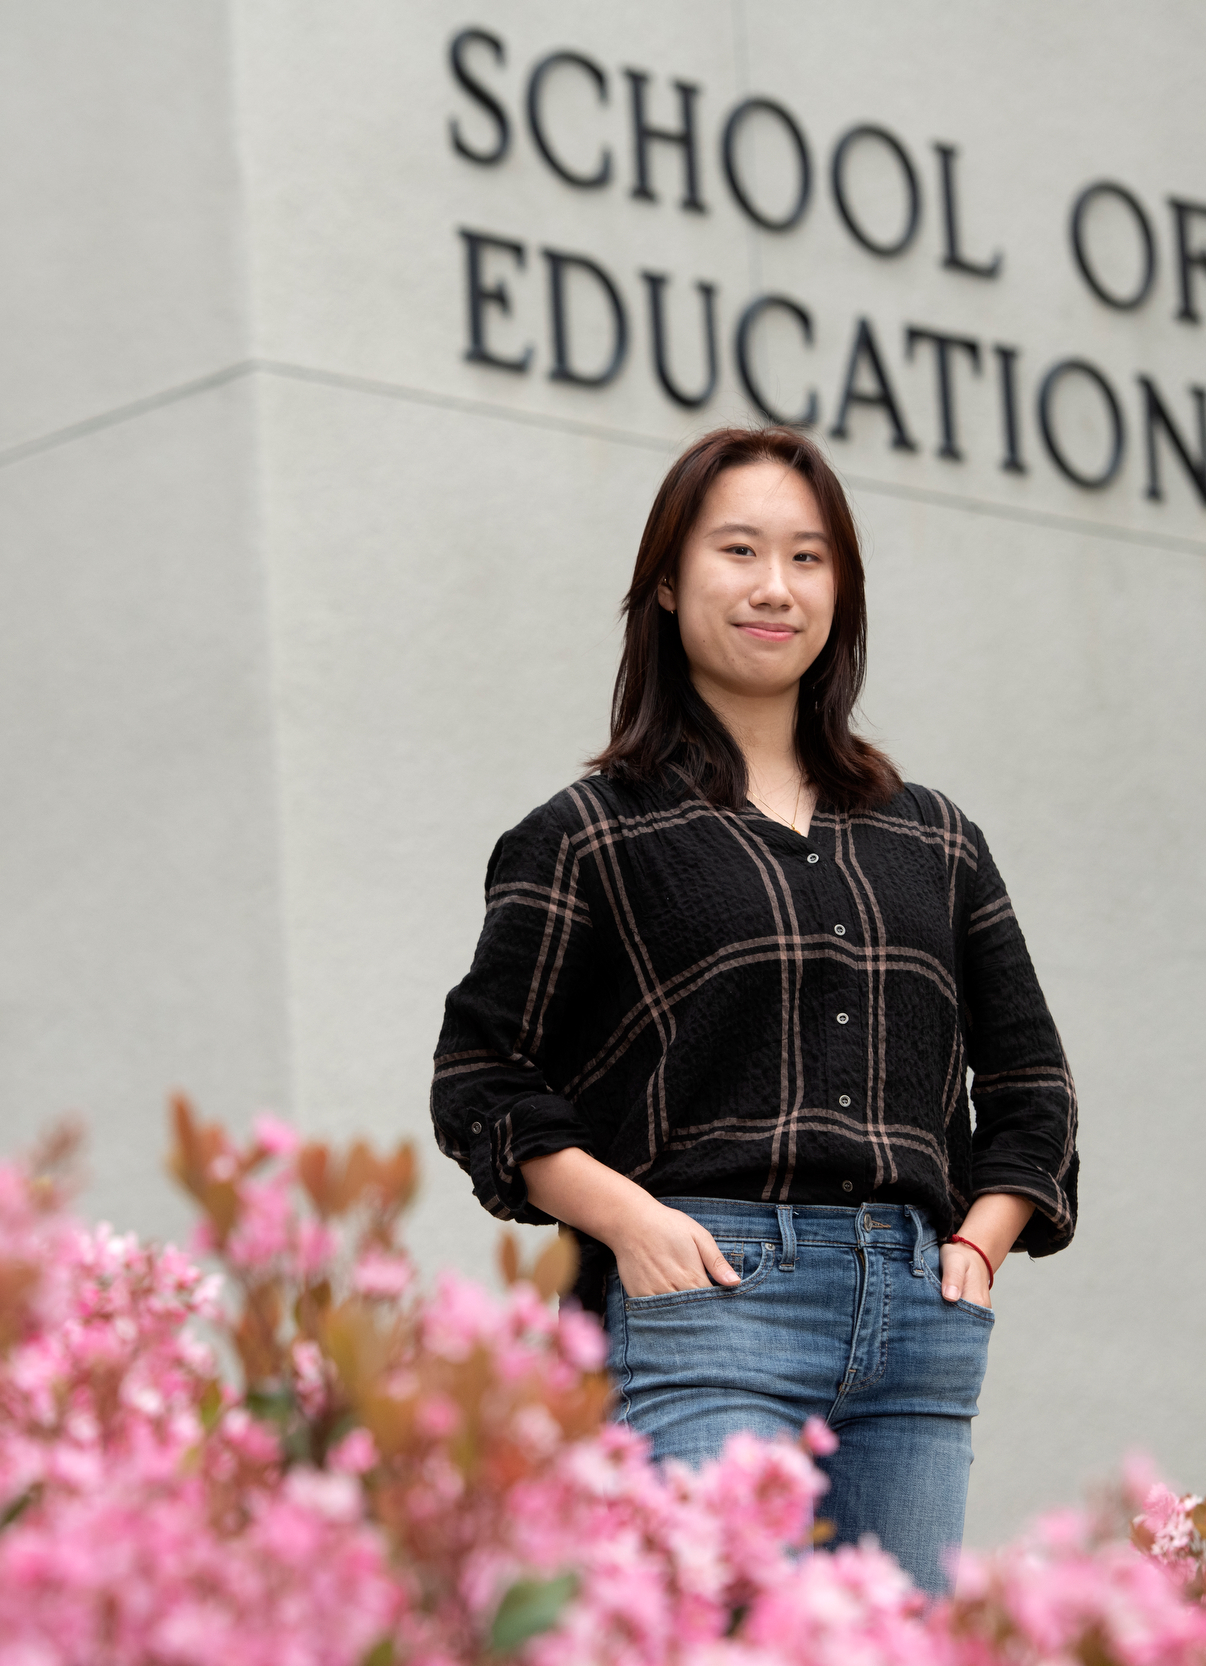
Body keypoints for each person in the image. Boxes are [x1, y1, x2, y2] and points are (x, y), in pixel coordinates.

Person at [429, 426, 1078, 1593]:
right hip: (706, 1308)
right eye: (739, 549)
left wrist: (977, 1245)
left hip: (918, 1325)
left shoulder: (932, 836)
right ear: (669, 583)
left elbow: (1032, 1089)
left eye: (809, 557)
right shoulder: (589, 833)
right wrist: (630, 1222)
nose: (775, 587)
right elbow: (480, 1075)